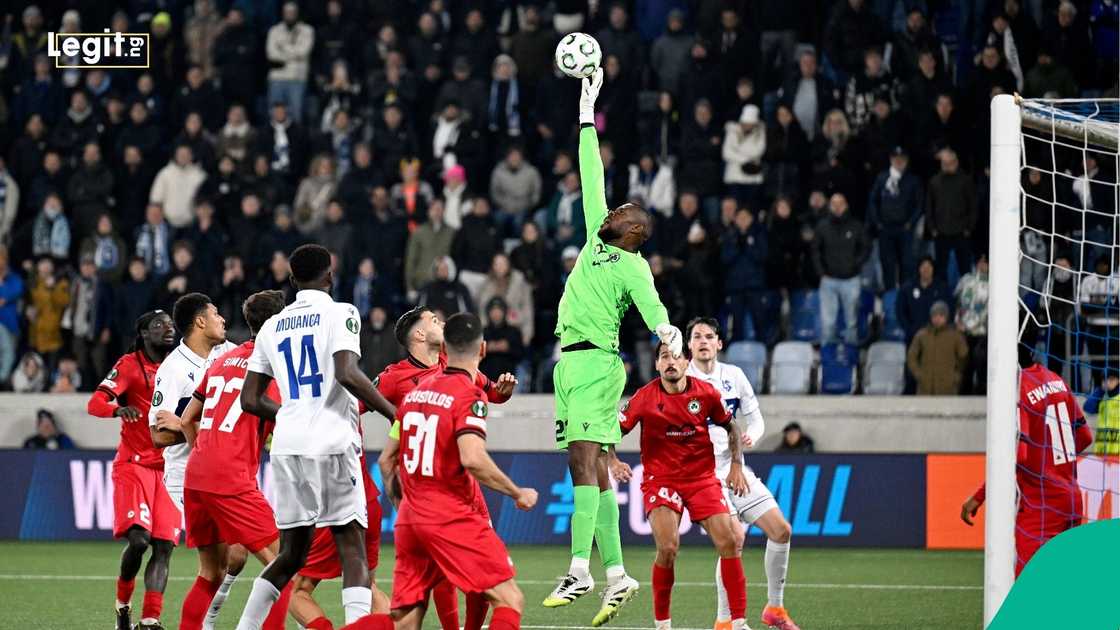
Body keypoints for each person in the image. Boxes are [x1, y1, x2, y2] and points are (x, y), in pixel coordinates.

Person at [544, 69, 682, 625]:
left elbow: (655, 314)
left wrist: (669, 335)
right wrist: (585, 106)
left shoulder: (633, 267)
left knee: (583, 459)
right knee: (597, 468)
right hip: (568, 364)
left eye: (623, 211)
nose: (613, 209)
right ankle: (619, 577)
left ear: (635, 231)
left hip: (600, 365)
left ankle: (580, 565)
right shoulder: (595, 235)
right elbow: (589, 167)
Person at [235, 244, 396, 630]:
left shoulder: (272, 326)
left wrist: (292, 415)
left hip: (287, 448)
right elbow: (346, 372)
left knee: (290, 555)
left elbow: (250, 399)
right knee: (352, 548)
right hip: (331, 443)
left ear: (292, 280)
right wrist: (397, 414)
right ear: (330, 276)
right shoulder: (341, 312)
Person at [366, 306, 516, 630]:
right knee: (452, 581)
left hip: (464, 490)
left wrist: (503, 390)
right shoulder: (394, 378)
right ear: (419, 335)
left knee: (479, 580)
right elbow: (355, 404)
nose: (442, 322)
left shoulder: (456, 367)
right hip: (427, 490)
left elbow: (492, 392)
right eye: (434, 320)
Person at [157, 291, 292, 630]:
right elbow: (281, 420)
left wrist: (207, 451)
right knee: (282, 566)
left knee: (211, 572)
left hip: (197, 473)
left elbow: (187, 420)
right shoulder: (273, 364)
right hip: (230, 476)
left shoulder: (222, 360)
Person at [608, 341, 750, 630]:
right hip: (661, 479)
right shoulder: (644, 397)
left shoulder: (706, 393)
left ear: (687, 362)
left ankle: (738, 622)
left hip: (701, 479)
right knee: (669, 547)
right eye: (664, 357)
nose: (670, 361)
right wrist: (613, 461)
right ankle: (663, 624)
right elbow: (611, 430)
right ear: (657, 365)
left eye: (676, 357)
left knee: (730, 541)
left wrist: (736, 464)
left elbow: (731, 425)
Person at [685, 318, 799, 629]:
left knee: (781, 530)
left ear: (719, 343)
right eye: (697, 337)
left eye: (709, 336)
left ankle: (775, 608)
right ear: (689, 345)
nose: (704, 341)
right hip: (704, 477)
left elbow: (756, 418)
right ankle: (726, 622)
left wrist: (752, 436)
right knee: (733, 540)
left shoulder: (734, 376)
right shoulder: (682, 381)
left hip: (736, 469)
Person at [961, 342, 1093, 576]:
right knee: (1062, 582)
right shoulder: (1055, 379)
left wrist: (979, 497)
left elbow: (1016, 459)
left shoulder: (1019, 392)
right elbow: (1084, 437)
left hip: (1041, 507)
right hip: (1072, 500)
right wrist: (1054, 460)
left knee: (1028, 589)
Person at [146, 293, 240, 623]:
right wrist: (192, 426)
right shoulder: (173, 370)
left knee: (234, 559)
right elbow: (158, 436)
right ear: (200, 322)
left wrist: (190, 421)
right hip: (187, 475)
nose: (222, 320)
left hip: (224, 468)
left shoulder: (228, 355)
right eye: (215, 314)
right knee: (226, 559)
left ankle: (207, 619)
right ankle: (199, 620)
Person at [85, 310, 178, 630]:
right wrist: (117, 408)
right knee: (140, 541)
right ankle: (122, 607)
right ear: (143, 333)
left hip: (168, 471)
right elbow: (95, 403)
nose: (167, 329)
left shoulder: (179, 365)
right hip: (134, 466)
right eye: (158, 325)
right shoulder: (129, 365)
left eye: (170, 325)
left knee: (164, 546)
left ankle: (150, 620)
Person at [812, 193, 870, 346]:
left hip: (851, 279)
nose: (837, 207)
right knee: (828, 323)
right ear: (829, 206)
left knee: (851, 322)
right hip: (829, 280)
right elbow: (815, 250)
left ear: (846, 205)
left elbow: (866, 247)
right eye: (834, 204)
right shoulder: (822, 226)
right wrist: (821, 272)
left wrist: (855, 265)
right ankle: (828, 360)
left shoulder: (856, 226)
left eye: (841, 203)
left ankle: (850, 360)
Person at [906, 301, 968, 395]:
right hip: (925, 388)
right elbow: (911, 356)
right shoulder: (922, 335)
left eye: (941, 315)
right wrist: (918, 374)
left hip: (947, 388)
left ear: (946, 317)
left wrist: (956, 376)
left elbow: (963, 356)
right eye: (934, 315)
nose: (937, 318)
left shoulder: (955, 335)